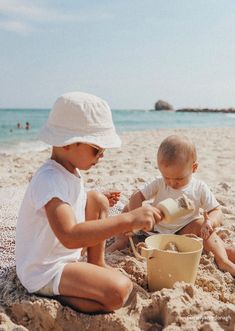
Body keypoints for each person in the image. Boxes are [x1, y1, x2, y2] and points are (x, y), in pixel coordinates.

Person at [15, 91, 162, 314]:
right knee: (119, 291)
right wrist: (128, 220)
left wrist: (91, 198)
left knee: (96, 198)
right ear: (67, 144)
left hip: (63, 258)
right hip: (43, 269)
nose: (101, 155)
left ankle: (96, 262)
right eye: (96, 149)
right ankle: (60, 295)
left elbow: (73, 200)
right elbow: (70, 235)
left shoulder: (68, 171)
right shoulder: (48, 179)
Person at [107, 135, 235, 276]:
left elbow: (216, 210)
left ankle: (224, 261)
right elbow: (137, 196)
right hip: (152, 231)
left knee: (202, 225)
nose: (172, 183)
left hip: (183, 232)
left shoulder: (199, 188)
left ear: (194, 168)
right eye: (166, 177)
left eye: (179, 179)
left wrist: (210, 221)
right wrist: (138, 218)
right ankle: (120, 242)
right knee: (127, 209)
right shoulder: (159, 183)